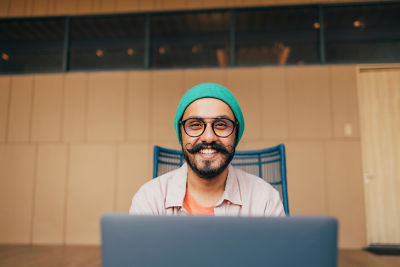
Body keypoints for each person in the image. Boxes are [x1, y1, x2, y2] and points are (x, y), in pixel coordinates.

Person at [129, 83, 284, 216]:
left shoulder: (264, 199)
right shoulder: (150, 199)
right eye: (195, 125)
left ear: (236, 135)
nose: (208, 137)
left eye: (221, 125)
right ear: (181, 133)